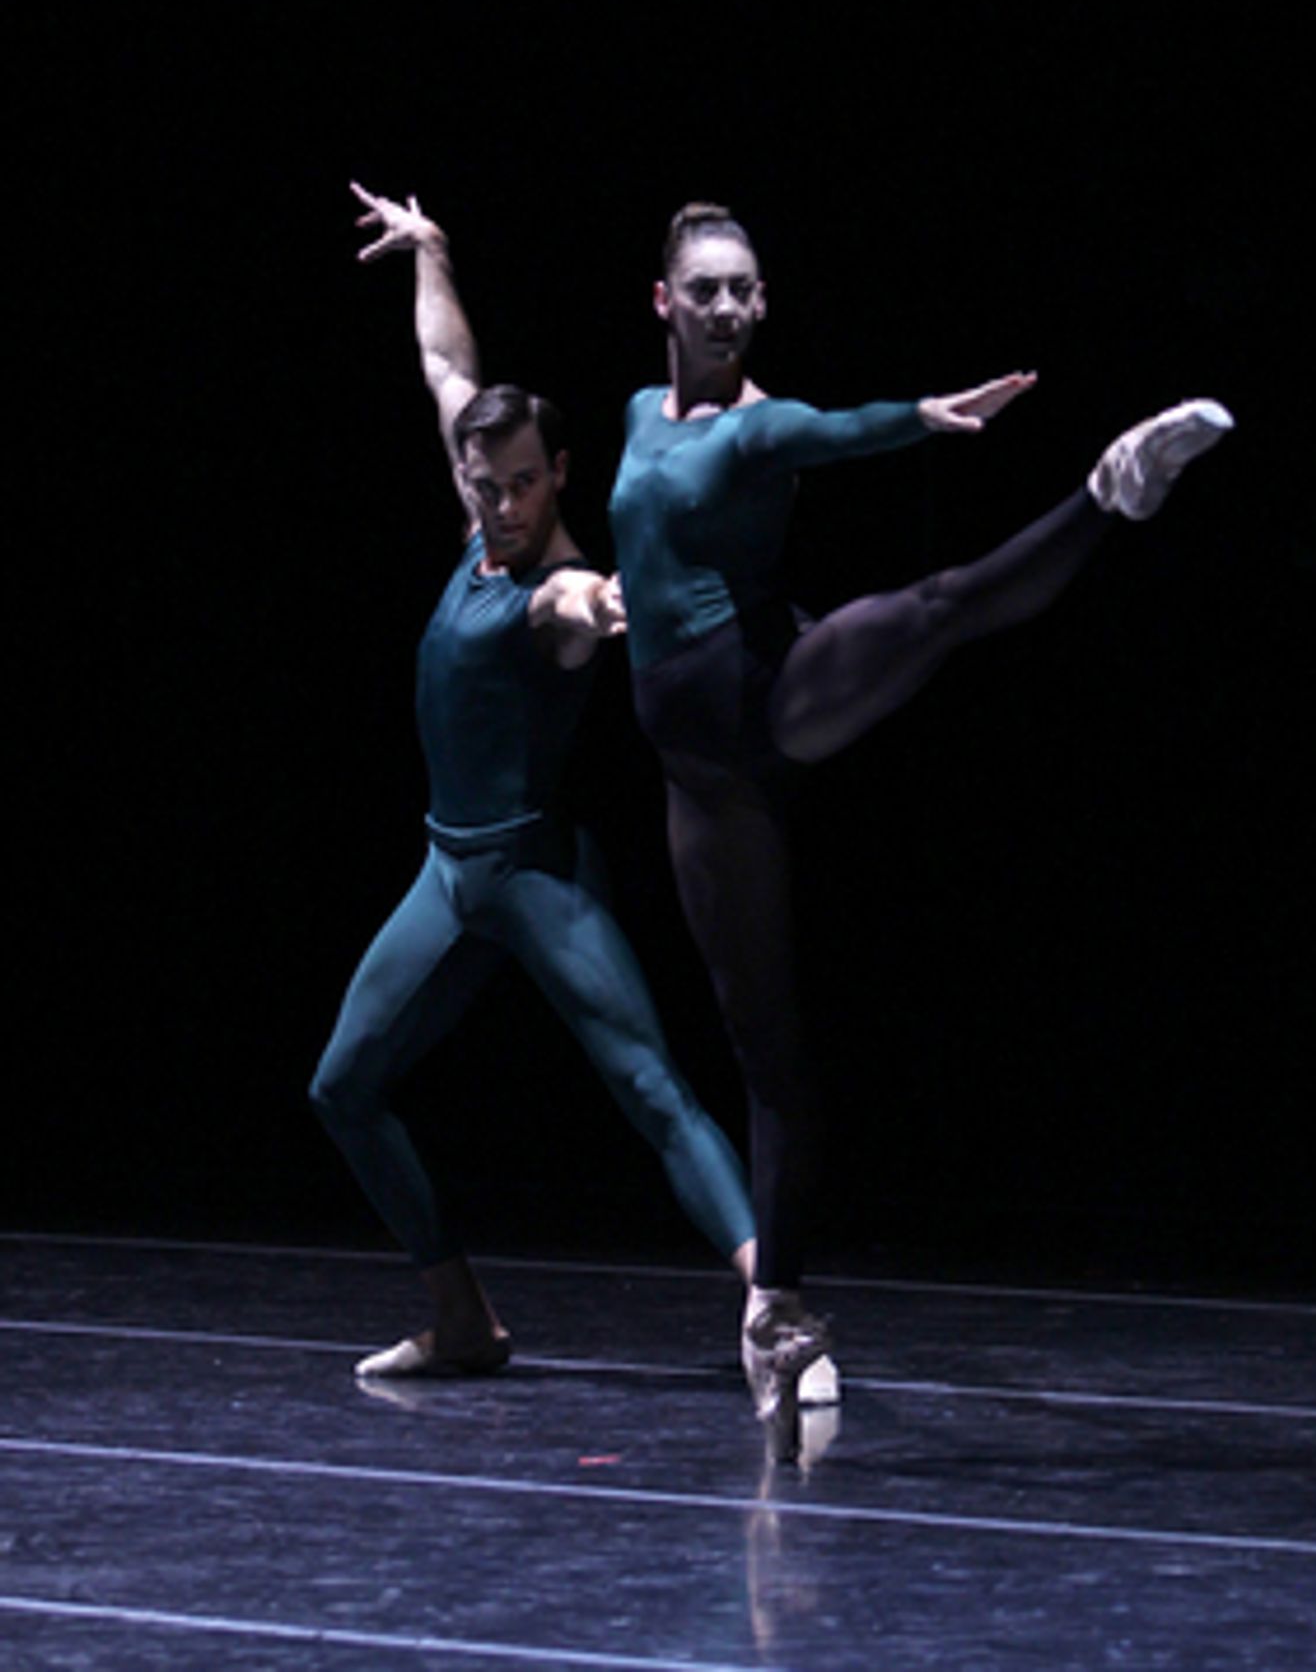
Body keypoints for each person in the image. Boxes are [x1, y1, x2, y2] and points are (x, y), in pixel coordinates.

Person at [608, 200, 1234, 1446]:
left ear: (762, 304)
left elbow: (826, 432)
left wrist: (920, 419)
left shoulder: (760, 427)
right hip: (699, 785)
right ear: (664, 302)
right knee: (766, 1052)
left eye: (748, 289)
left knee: (936, 609)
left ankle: (1108, 493)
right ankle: (773, 1312)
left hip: (769, 701)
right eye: (709, 289)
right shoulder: (634, 416)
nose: (731, 307)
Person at [310, 185, 756, 1379]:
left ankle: (774, 1303)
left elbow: (580, 609)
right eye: (480, 485)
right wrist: (433, 253)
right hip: (448, 874)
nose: (498, 504)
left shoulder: (547, 585)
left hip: (534, 877)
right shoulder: (477, 524)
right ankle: (461, 1315)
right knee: (342, 1089)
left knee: (649, 1086)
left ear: (558, 473)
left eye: (518, 484)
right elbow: (445, 365)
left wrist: (611, 600)